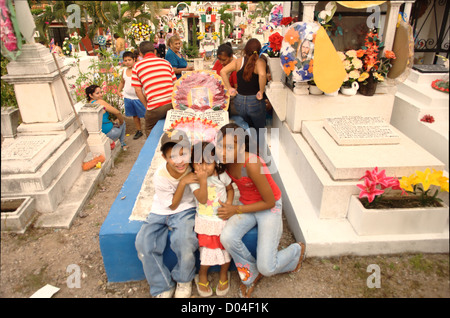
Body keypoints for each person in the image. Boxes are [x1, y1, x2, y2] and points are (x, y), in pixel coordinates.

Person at [215, 123, 306, 298]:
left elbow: (270, 201)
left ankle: (296, 251)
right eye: (219, 145)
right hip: (248, 204)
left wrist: (236, 209)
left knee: (268, 268)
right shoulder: (226, 163)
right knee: (227, 237)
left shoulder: (252, 163)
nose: (222, 151)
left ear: (241, 147)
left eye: (228, 147)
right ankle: (251, 273)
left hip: (268, 207)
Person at [135, 129, 198, 298]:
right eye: (172, 157)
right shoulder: (160, 176)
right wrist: (184, 181)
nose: (179, 161)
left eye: (183, 154)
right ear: (164, 158)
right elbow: (171, 205)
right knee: (143, 243)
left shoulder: (196, 166)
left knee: (184, 241)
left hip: (186, 209)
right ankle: (161, 285)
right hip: (162, 209)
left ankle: (184, 279)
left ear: (190, 151)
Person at [189, 141, 234, 297]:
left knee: (225, 250)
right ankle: (202, 275)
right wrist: (202, 180)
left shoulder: (221, 175)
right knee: (206, 252)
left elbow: (230, 189)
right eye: (198, 163)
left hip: (222, 219)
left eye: (208, 162)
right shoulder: (193, 180)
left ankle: (224, 274)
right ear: (192, 164)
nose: (203, 167)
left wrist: (229, 203)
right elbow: (202, 199)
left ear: (216, 162)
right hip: (205, 222)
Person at [220, 38, 267, 152]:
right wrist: (261, 91)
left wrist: (229, 88)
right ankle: (258, 155)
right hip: (254, 101)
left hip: (239, 101)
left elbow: (223, 72)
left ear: (245, 49)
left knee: (246, 127)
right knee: (259, 129)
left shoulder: (238, 61)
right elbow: (262, 75)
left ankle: (245, 151)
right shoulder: (260, 62)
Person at [132, 41, 176, 137]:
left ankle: (153, 148)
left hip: (155, 107)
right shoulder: (166, 63)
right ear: (155, 51)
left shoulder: (137, 66)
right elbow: (175, 85)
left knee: (149, 129)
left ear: (140, 54)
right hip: (172, 104)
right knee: (173, 128)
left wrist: (147, 106)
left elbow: (137, 90)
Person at [212, 43, 249, 131]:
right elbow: (213, 76)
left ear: (231, 56)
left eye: (224, 60)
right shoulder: (218, 63)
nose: (221, 62)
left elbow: (237, 88)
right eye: (219, 59)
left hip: (231, 103)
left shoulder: (236, 66)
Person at [85, 84, 127, 151]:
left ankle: (121, 144)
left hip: (99, 135)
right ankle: (122, 144)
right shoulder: (100, 102)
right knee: (122, 121)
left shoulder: (88, 105)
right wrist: (121, 121)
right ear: (90, 95)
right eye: (97, 93)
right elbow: (117, 112)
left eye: (101, 92)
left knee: (116, 121)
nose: (101, 94)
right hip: (110, 133)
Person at [117, 51, 146, 140]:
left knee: (146, 114)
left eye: (129, 60)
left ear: (134, 60)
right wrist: (118, 91)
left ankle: (151, 129)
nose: (127, 62)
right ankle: (139, 130)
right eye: (125, 60)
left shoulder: (138, 70)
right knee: (135, 115)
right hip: (128, 97)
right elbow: (122, 82)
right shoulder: (124, 71)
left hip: (139, 97)